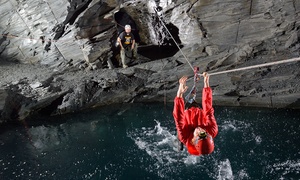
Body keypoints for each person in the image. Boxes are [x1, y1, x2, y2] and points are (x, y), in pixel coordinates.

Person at [173, 72, 218, 156]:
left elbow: (178, 117)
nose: (200, 130)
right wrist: (206, 82)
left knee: (180, 139)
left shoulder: (185, 136)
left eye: (199, 134)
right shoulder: (212, 131)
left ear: (193, 140)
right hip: (198, 113)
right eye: (204, 133)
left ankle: (180, 146)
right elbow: (208, 109)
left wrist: (180, 93)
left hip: (186, 122)